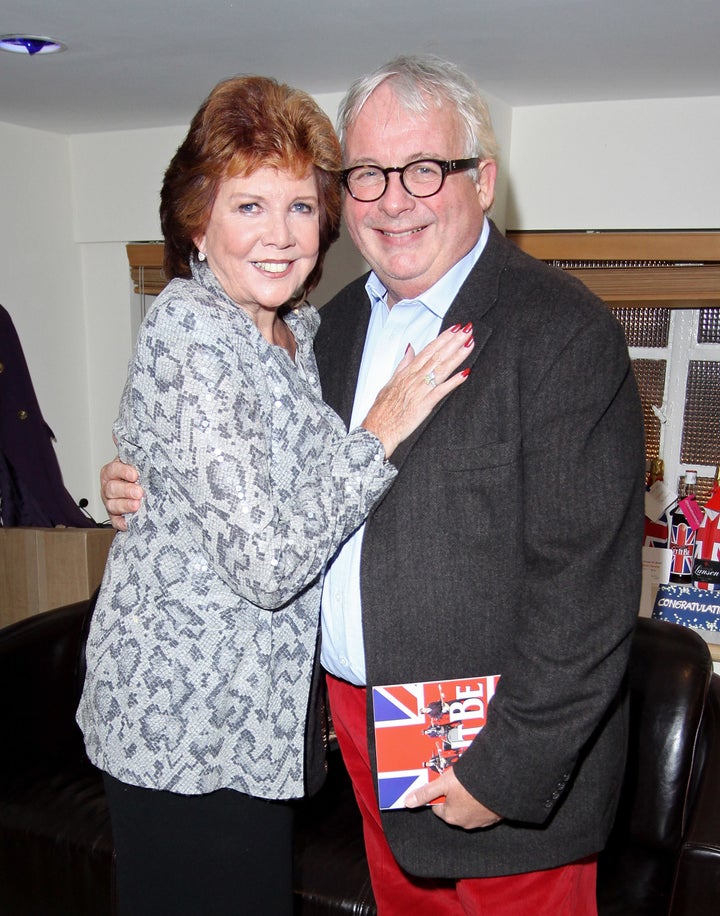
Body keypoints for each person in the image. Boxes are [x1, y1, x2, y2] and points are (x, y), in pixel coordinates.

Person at [101, 55, 645, 915]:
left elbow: (586, 590)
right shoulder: (332, 328)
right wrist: (146, 481)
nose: (393, 199)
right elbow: (253, 472)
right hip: (349, 731)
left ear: (484, 181)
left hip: (488, 743)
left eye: (425, 169)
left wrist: (508, 769)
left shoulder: (561, 330)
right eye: (366, 175)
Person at [79, 72, 473, 916]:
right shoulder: (191, 324)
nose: (281, 234)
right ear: (197, 221)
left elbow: (236, 481)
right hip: (180, 716)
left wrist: (143, 484)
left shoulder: (305, 334)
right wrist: (382, 426)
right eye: (248, 206)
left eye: (299, 206)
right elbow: (266, 563)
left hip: (255, 723)